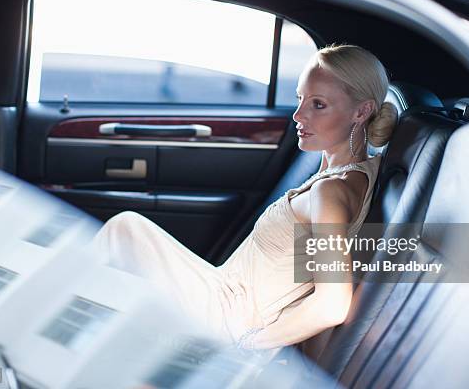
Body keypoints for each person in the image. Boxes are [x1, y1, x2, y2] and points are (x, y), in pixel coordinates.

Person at [92, 44, 398, 354]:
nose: (297, 115)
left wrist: (246, 346)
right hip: (222, 294)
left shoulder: (331, 193)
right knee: (121, 250)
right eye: (300, 99)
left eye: (318, 104)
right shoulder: (346, 175)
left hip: (227, 319)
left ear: (361, 111)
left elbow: (332, 304)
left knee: (124, 229)